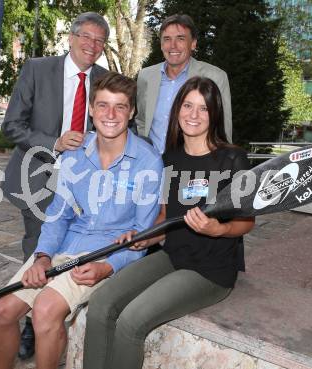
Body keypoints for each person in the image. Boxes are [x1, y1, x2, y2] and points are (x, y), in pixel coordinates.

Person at [0, 72, 163, 369]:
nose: (110, 114)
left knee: (45, 308)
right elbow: (57, 215)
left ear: (131, 111)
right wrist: (42, 258)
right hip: (66, 243)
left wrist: (108, 266)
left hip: (106, 252)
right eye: (103, 105)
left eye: (120, 106)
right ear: (92, 110)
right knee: (2, 310)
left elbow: (140, 235)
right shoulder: (73, 157)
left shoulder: (148, 161)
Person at [83, 76, 255, 369]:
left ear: (214, 114)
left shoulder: (232, 159)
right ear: (177, 110)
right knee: (100, 304)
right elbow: (165, 217)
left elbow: (246, 222)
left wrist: (219, 229)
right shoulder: (170, 159)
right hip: (172, 255)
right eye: (188, 105)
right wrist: (143, 237)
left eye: (203, 108)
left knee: (131, 321)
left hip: (211, 270)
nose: (193, 114)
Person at [0, 12, 109, 358]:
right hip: (39, 176)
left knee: (74, 246)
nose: (92, 45)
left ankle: (59, 308)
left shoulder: (108, 79)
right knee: (39, 249)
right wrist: (54, 143)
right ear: (72, 38)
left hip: (86, 183)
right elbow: (12, 126)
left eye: (99, 41)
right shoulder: (37, 69)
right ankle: (33, 323)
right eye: (86, 37)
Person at [136, 14, 232, 154]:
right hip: (152, 164)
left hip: (195, 165)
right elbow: (142, 121)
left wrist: (224, 162)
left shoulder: (215, 77)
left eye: (180, 38)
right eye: (167, 39)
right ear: (161, 44)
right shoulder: (146, 76)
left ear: (193, 43)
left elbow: (224, 127)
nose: (173, 45)